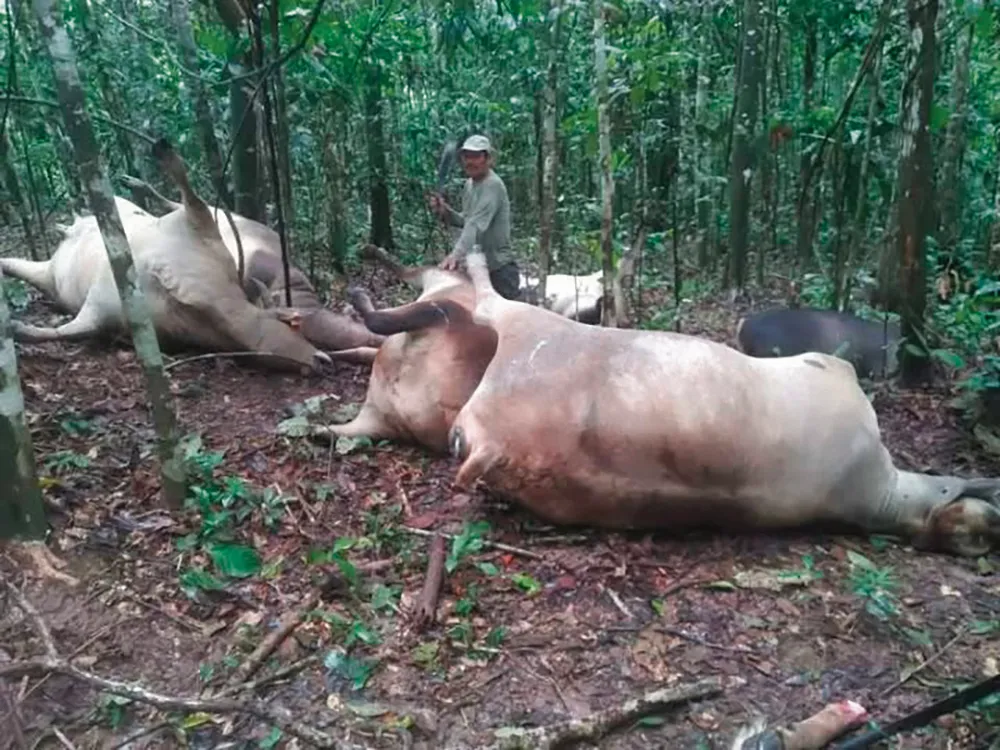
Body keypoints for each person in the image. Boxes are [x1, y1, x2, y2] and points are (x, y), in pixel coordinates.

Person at [428, 134, 520, 300]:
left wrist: (455, 255)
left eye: (476, 156)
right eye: (467, 156)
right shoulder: (469, 185)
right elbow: (466, 221)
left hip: (499, 271)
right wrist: (445, 212)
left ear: (488, 159)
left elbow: (476, 226)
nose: (470, 161)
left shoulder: (492, 185)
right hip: (478, 270)